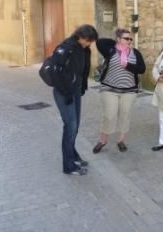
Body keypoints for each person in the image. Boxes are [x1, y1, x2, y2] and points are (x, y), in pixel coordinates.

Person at [52, 24, 98, 176]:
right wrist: (66, 93)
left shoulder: (84, 49)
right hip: (64, 92)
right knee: (70, 126)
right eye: (88, 40)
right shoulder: (66, 48)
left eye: (90, 41)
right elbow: (55, 72)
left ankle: (73, 156)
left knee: (75, 125)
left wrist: (82, 87)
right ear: (80, 36)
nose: (89, 43)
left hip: (75, 91)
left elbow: (82, 72)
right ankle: (69, 166)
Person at [92, 28, 146, 154]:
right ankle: (103, 140)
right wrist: (117, 44)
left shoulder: (135, 53)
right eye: (126, 38)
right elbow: (100, 42)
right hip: (109, 89)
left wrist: (127, 65)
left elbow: (142, 69)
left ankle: (121, 140)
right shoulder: (110, 50)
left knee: (125, 115)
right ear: (118, 39)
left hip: (129, 90)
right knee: (109, 115)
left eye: (130, 38)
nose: (129, 41)